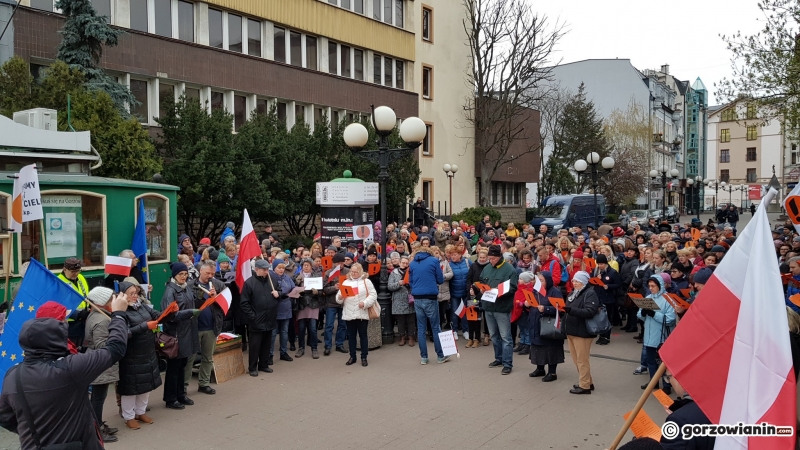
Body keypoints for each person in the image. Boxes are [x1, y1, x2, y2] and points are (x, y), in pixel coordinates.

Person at [0, 294, 129, 449]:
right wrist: (119, 315)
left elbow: (5, 416)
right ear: (56, 337)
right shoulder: (71, 368)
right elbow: (115, 349)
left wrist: (35, 431)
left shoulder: (13, 375)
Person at [116, 281, 160, 431]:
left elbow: (157, 315)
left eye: (136, 293)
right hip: (131, 354)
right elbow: (125, 333)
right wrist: (145, 326)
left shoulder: (141, 305)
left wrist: (170, 313)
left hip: (147, 351)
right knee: (130, 387)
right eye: (131, 293)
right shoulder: (120, 311)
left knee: (145, 384)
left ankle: (140, 412)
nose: (135, 296)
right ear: (122, 295)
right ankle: (128, 416)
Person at [161, 262, 202, 410]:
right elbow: (169, 315)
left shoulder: (186, 288)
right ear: (174, 276)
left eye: (185, 274)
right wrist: (190, 313)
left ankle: (180, 394)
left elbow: (192, 302)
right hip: (176, 334)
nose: (184, 277)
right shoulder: (170, 291)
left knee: (182, 365)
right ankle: (171, 398)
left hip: (187, 331)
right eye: (181, 274)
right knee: (174, 368)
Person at [83, 287, 120, 443]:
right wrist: (119, 337)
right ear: (103, 303)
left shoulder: (97, 315)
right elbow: (101, 345)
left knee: (99, 397)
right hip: (100, 365)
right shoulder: (102, 320)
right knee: (98, 399)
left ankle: (97, 424)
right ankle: (96, 428)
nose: (114, 302)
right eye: (111, 300)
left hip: (96, 363)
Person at [186, 261, 226, 395]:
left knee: (207, 358)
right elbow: (187, 305)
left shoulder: (219, 285)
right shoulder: (191, 286)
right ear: (200, 271)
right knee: (189, 359)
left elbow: (226, 306)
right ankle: (184, 386)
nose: (210, 276)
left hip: (211, 327)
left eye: (212, 273)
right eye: (207, 273)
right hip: (194, 327)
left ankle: (204, 383)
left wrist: (217, 297)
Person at [479, 244, 518, 375]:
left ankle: (507, 363)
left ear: (500, 257)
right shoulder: (487, 268)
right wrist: (479, 288)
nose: (491, 261)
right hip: (488, 306)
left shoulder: (509, 269)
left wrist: (498, 292)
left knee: (506, 337)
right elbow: (481, 281)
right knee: (494, 336)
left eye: (493, 259)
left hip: (502, 307)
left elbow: (513, 287)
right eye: (490, 258)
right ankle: (498, 358)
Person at [409, 246, 451, 365]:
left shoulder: (412, 264)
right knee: (435, 327)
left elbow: (411, 282)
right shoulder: (433, 260)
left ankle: (424, 357)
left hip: (417, 297)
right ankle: (440, 355)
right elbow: (440, 279)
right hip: (430, 297)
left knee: (421, 328)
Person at [240, 259, 281, 376]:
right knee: (255, 345)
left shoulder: (271, 280)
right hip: (256, 320)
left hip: (269, 318)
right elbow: (244, 303)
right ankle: (252, 367)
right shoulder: (249, 283)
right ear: (256, 269)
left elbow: (280, 292)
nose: (266, 272)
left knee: (266, 344)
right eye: (264, 270)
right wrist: (253, 316)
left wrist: (278, 294)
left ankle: (263, 364)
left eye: (267, 269)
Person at [659, 369, 716, 449]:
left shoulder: (680, 422)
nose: (670, 383)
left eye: (668, 377)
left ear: (680, 377)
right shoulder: (724, 401)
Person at [637, 275, 676, 392]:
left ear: (660, 286)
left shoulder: (668, 299)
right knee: (650, 361)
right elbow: (639, 314)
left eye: (653, 286)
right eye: (649, 286)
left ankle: (666, 385)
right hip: (649, 335)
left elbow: (670, 319)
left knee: (663, 363)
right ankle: (653, 382)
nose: (651, 288)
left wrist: (654, 314)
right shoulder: (648, 297)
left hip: (661, 336)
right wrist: (642, 313)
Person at [564, 271, 599, 394]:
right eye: (573, 280)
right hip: (572, 330)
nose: (574, 283)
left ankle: (584, 386)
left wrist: (570, 310)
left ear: (583, 282)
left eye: (577, 281)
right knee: (576, 359)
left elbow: (590, 311)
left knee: (582, 360)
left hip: (582, 332)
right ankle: (588, 382)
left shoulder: (590, 293)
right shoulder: (573, 293)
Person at [336, 263, 377, 366]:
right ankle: (352, 356)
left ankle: (364, 357)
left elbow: (373, 295)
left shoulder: (366, 281)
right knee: (351, 336)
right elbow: (338, 298)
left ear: (360, 272)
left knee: (363, 335)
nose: (353, 274)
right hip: (349, 313)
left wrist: (365, 303)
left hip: (362, 312)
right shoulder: (346, 282)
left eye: (356, 272)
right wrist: (340, 298)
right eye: (352, 272)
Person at [528, 271, 565, 381]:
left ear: (548, 281)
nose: (539, 282)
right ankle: (540, 368)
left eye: (542, 280)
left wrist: (546, 309)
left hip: (548, 325)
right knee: (538, 347)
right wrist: (527, 304)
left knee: (550, 348)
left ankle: (552, 373)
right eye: (538, 280)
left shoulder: (555, 292)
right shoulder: (536, 290)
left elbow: (561, 309)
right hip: (536, 323)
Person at [57, 257, 90, 349]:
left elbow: (86, 295)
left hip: (83, 320)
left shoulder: (80, 277)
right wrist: (78, 314)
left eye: (78, 271)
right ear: (64, 269)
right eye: (73, 272)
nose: (76, 274)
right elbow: (59, 306)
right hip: (69, 323)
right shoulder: (59, 282)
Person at [294, 258, 324, 359]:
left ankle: (314, 349)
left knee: (313, 329)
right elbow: (292, 290)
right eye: (304, 265)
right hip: (302, 305)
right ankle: (301, 348)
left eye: (308, 265)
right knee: (301, 329)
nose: (306, 267)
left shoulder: (316, 276)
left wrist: (317, 292)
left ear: (311, 266)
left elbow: (321, 292)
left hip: (313, 304)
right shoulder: (297, 276)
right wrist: (297, 284)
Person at [270, 259, 295, 364]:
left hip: (286, 308)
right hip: (276, 308)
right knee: (273, 333)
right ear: (274, 268)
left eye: (283, 268)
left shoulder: (287, 278)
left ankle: (283, 352)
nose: (281, 270)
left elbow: (293, 288)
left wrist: (297, 291)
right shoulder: (270, 279)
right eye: (279, 268)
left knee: (284, 332)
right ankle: (269, 354)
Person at [322, 253, 349, 355]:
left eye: (342, 263)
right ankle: (327, 346)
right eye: (338, 263)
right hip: (331, 303)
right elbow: (324, 289)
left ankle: (339, 344)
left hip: (343, 303)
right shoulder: (329, 273)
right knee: (329, 325)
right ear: (334, 263)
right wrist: (334, 288)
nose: (341, 265)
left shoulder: (348, 272)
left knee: (342, 325)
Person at [592, 254, 621, 345]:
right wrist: (596, 279)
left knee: (607, 318)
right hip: (598, 297)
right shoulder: (595, 271)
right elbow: (591, 280)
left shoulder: (612, 272)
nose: (600, 266)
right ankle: (601, 336)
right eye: (599, 264)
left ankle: (606, 337)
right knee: (599, 318)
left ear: (606, 263)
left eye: (602, 264)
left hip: (608, 298)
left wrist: (608, 286)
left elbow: (618, 284)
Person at [388, 256, 416, 347]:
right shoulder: (394, 273)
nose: (404, 264)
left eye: (406, 263)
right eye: (403, 263)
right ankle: (402, 337)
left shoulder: (412, 272)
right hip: (398, 300)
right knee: (401, 321)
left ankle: (411, 336)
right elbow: (390, 286)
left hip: (410, 299)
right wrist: (398, 283)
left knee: (411, 320)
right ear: (399, 263)